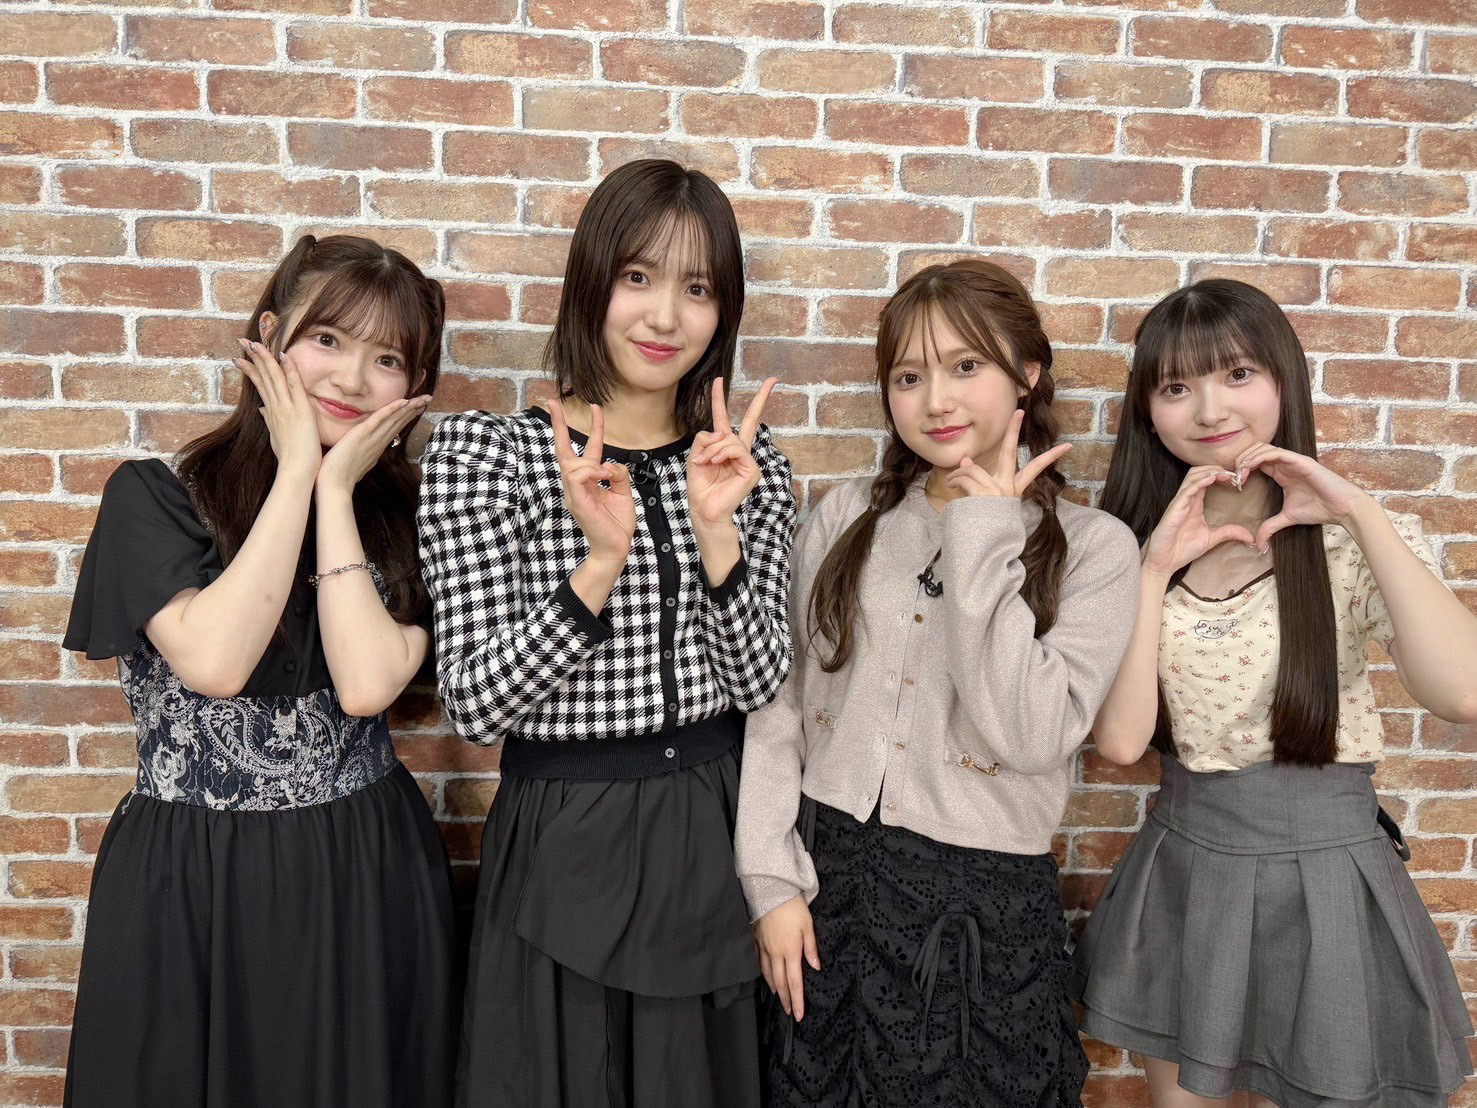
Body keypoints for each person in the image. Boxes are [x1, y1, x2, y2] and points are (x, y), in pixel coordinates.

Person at [418, 159, 795, 1108]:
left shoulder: (749, 466)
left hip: (709, 825)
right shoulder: (488, 455)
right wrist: (598, 564)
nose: (664, 316)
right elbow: (474, 706)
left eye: (696, 288)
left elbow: (757, 685)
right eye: (637, 276)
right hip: (564, 831)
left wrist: (716, 532)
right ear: (591, 281)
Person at [62, 234, 459, 1107]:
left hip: (359, 866)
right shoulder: (152, 497)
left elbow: (366, 688)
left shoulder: (419, 519)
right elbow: (216, 661)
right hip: (190, 875)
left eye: (387, 359)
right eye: (328, 340)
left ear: (414, 385)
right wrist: (297, 472)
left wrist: (335, 493)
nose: (352, 378)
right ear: (271, 337)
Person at [734, 258, 1140, 1106]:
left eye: (966, 366)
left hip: (982, 912)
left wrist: (984, 532)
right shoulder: (847, 516)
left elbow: (1030, 734)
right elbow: (780, 704)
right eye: (908, 377)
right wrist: (770, 883)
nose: (936, 400)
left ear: (1027, 374)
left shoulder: (1094, 547)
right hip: (830, 888)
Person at [1073, 278, 1477, 1108]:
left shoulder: (1346, 541)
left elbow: (1464, 693)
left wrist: (1355, 510)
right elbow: (1118, 743)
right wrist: (1151, 568)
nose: (1209, 409)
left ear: (1283, 380)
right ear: (1147, 412)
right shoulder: (1129, 549)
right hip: (1185, 867)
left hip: (1328, 873)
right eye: (1175, 387)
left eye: (1236, 374)